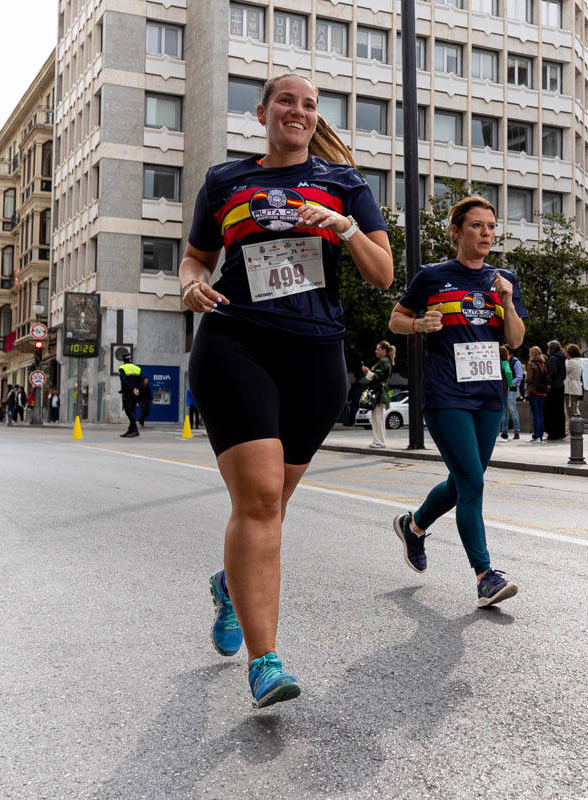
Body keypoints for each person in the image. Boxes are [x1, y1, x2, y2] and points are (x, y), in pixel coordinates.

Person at [182, 73, 393, 708]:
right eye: (285, 101)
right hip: (236, 341)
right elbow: (196, 257)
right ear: (263, 112)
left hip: (315, 353)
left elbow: (383, 275)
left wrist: (343, 226)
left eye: (308, 105)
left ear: (314, 118)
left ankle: (229, 584)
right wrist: (190, 283)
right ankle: (264, 660)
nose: (296, 112)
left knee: (273, 503)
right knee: (262, 498)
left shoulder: (344, 184)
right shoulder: (226, 181)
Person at [388, 195, 527, 607]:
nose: (486, 233)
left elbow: (516, 339)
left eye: (490, 226)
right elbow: (395, 318)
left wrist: (505, 299)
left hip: (488, 395)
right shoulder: (432, 277)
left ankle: (413, 526)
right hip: (445, 393)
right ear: (457, 232)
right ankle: (485, 576)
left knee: (463, 480)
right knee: (472, 482)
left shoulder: (502, 280)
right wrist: (419, 323)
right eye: (477, 226)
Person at [362, 340, 394, 448]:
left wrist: (368, 372)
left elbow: (377, 377)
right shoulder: (384, 361)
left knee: (377, 417)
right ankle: (378, 441)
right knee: (377, 417)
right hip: (380, 392)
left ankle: (380, 441)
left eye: (378, 349)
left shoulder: (384, 361)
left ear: (384, 350)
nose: (376, 351)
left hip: (379, 392)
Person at [498, 345, 522, 440]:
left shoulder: (516, 362)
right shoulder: (504, 362)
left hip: (511, 390)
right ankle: (504, 432)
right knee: (504, 412)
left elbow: (519, 376)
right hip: (505, 389)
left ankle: (516, 432)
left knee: (513, 411)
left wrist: (510, 384)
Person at [117, 350, 143, 438]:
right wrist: (137, 389)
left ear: (123, 359)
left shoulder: (122, 368)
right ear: (130, 359)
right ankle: (130, 429)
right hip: (135, 393)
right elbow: (141, 381)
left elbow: (124, 381)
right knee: (133, 410)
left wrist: (132, 389)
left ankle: (135, 430)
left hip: (128, 393)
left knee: (128, 411)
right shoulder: (137, 368)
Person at [544, 339, 567, 439]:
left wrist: (546, 379)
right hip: (561, 386)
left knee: (551, 411)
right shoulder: (562, 358)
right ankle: (560, 432)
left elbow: (552, 373)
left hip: (553, 387)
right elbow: (563, 374)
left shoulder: (553, 358)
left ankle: (553, 433)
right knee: (559, 411)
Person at [524, 345, 547, 443]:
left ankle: (536, 435)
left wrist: (526, 379)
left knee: (535, 414)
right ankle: (540, 435)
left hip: (533, 390)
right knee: (540, 413)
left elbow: (529, 379)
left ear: (532, 354)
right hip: (542, 391)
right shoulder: (543, 364)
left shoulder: (531, 365)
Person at [563, 343, 583, 417]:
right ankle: (577, 427)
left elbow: (564, 372)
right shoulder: (579, 361)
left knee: (570, 412)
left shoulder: (571, 362)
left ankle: (573, 428)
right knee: (575, 410)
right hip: (577, 388)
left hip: (570, 389)